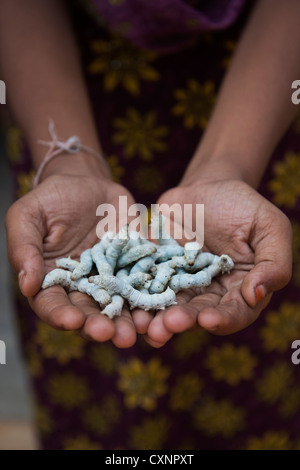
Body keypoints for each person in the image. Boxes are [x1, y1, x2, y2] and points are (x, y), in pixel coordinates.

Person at [1, 0, 299, 450]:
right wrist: (69, 162)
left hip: (262, 103)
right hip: (64, 91)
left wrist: (229, 166)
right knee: (93, 396)